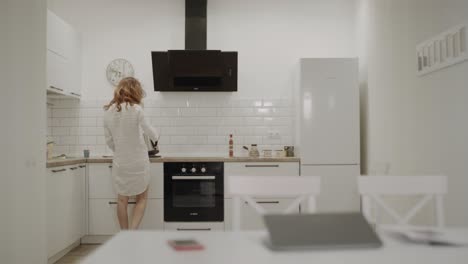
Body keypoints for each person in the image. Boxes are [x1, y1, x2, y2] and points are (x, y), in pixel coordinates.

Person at [103, 77, 159, 230]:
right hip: (139, 162)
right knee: (142, 197)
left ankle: (124, 235)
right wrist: (156, 135)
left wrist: (121, 149)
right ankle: (132, 234)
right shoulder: (137, 109)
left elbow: (109, 141)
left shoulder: (108, 112)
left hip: (121, 162)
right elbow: (152, 134)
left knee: (122, 200)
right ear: (136, 91)